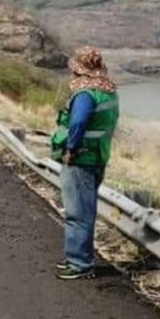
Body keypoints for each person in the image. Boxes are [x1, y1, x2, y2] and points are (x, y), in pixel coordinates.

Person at [50, 46, 120, 280]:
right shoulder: (108, 91)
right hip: (98, 156)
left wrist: (70, 149)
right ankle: (79, 258)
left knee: (77, 213)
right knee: (85, 210)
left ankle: (80, 263)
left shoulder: (85, 95)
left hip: (81, 158)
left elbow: (78, 123)